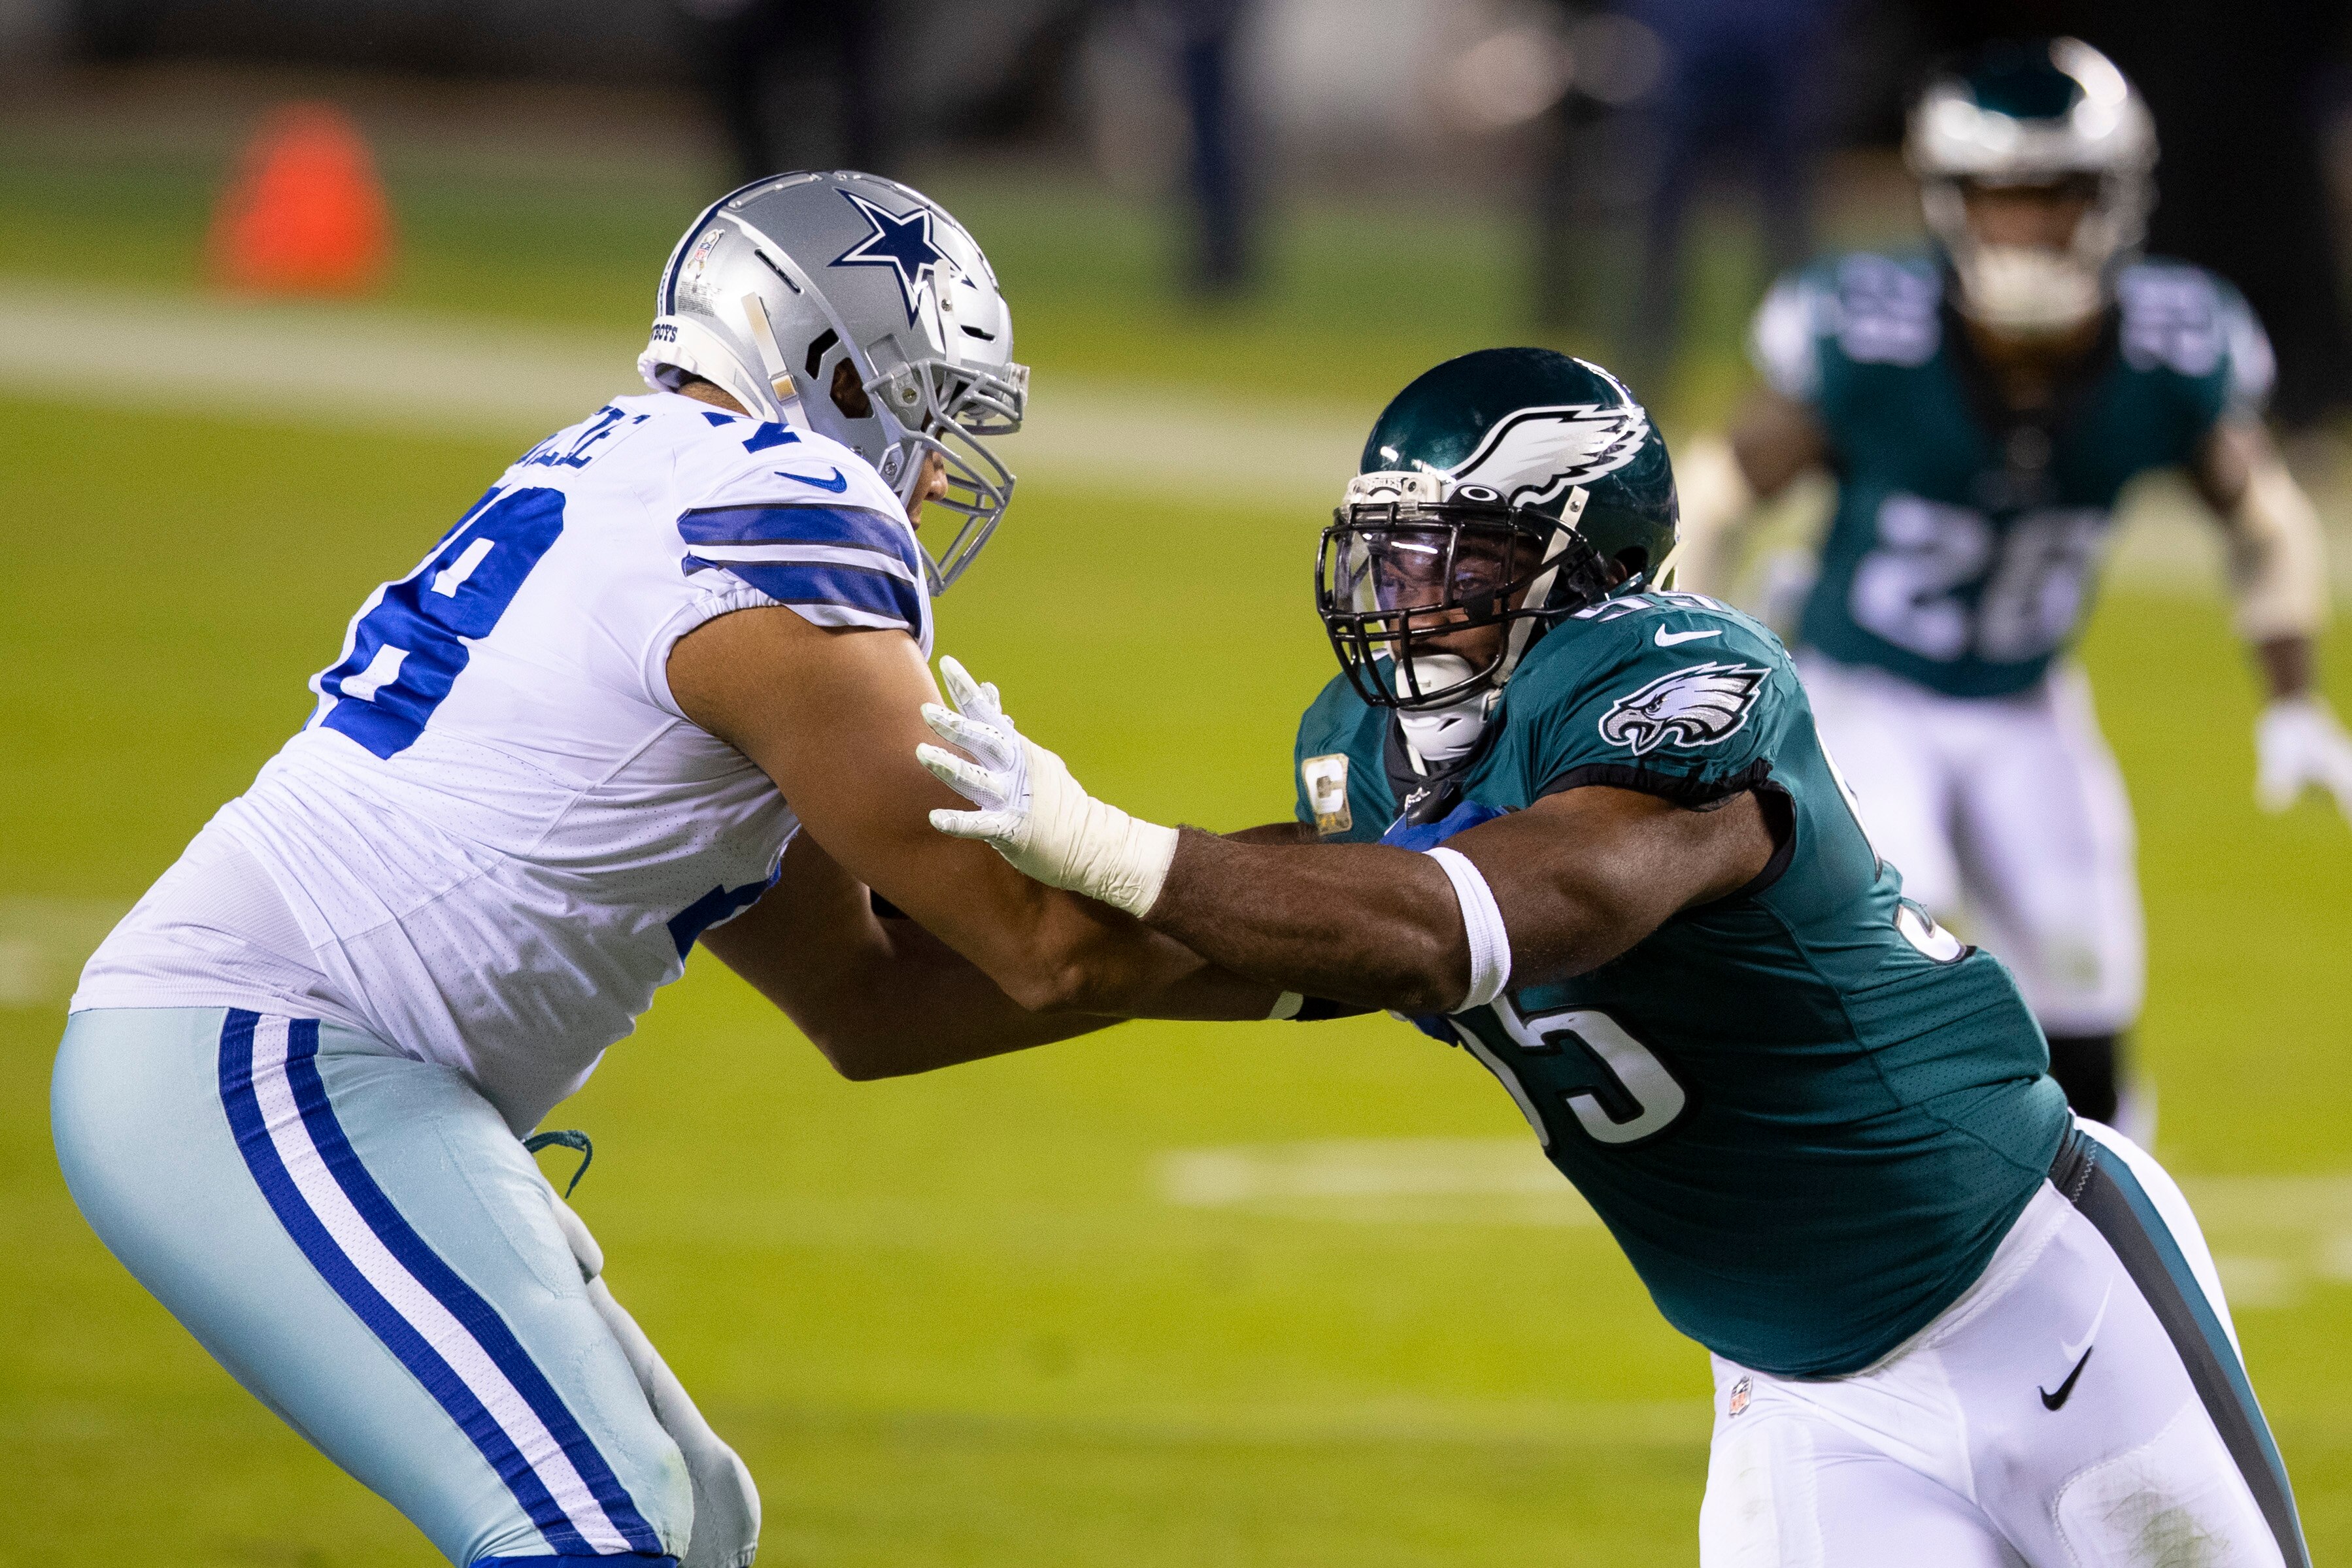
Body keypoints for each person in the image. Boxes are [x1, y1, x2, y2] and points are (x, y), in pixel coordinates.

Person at [914, 346, 2312, 1566]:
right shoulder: (1357, 752)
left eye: (1462, 556)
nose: (1412, 595)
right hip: (1799, 1387)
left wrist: (1098, 838)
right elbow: (1152, 949)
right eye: (1396, 552)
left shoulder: (1681, 683)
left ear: (1579, 571)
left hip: (2031, 1285)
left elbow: (1462, 924)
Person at [52, 171, 1271, 1568]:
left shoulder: (633, 470)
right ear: (830, 368)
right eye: (926, 410)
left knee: (690, 1525)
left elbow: (864, 1002)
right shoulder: (784, 513)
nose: (934, 469)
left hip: (330, 1066)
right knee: (592, 1531)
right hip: (269, 1058)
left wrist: (1345, 949)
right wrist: (1381, 913)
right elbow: (1052, 949)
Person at [1668, 38, 2352, 1130]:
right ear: (1949, 202)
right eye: (2003, 198)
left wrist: (2290, 692)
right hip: (1863, 689)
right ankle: (1896, 1235)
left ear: (2115, 200)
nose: (2029, 227)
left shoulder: (2174, 340)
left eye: (2058, 197)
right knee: (1903, 957)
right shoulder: (1869, 324)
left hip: (2026, 701)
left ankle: (2113, 1255)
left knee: (2086, 1011)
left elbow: (2265, 518)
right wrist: (1695, 660)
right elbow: (1715, 490)